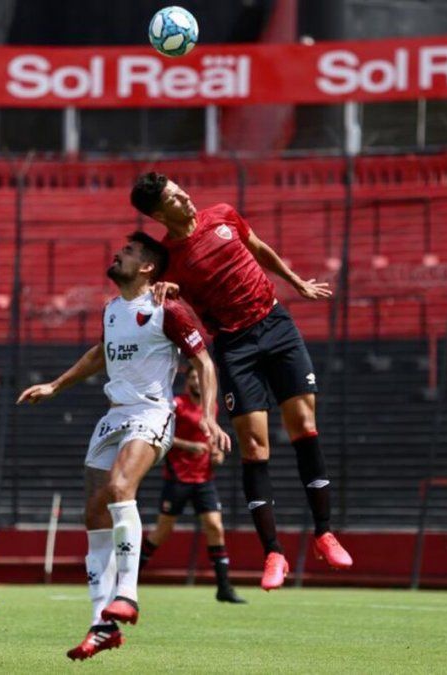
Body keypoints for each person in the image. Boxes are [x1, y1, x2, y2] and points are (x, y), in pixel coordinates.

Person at [130, 172, 353, 591]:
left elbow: (258, 248)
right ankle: (273, 552)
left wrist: (296, 281)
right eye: (174, 197)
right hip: (234, 346)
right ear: (160, 213)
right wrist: (163, 290)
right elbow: (154, 289)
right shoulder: (168, 258)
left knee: (304, 425)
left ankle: (324, 532)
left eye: (182, 188)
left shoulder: (224, 215)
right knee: (254, 446)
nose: (186, 196)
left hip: (276, 324)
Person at [17, 231, 229, 661]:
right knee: (93, 511)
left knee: (119, 489)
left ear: (148, 266)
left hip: (152, 412)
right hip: (113, 414)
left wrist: (208, 415)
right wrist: (56, 385)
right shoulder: (112, 309)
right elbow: (101, 353)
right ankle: (102, 625)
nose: (119, 254)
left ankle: (127, 595)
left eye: (129, 252)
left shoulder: (168, 307)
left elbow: (204, 362)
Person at [139, 367, 245, 604]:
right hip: (177, 478)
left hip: (204, 479)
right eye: (194, 378)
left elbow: (210, 440)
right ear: (187, 382)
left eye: (201, 377)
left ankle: (224, 587)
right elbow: (160, 434)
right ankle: (128, 579)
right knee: (162, 532)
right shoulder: (176, 404)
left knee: (215, 526)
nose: (198, 381)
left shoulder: (212, 408)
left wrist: (217, 454)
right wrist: (189, 446)